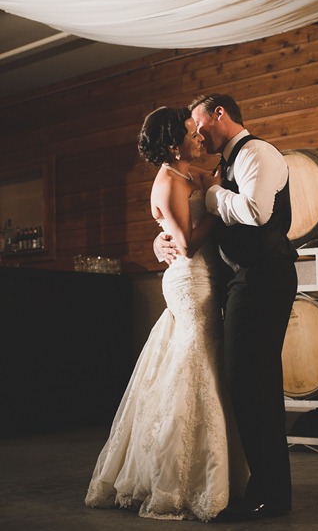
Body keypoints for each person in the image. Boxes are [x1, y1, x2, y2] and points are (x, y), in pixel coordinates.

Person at [85, 106, 248, 522]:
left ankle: (215, 469)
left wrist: (216, 193)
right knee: (194, 366)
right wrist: (212, 209)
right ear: (174, 144)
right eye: (193, 135)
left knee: (202, 364)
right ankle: (178, 477)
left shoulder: (189, 174)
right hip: (191, 281)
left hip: (207, 278)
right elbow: (188, 244)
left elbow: (215, 187)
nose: (200, 139)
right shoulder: (167, 182)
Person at [155, 93, 298, 520]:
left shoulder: (257, 153)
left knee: (249, 379)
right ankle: (269, 488)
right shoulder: (224, 165)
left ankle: (270, 493)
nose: (197, 133)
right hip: (241, 279)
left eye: (200, 124)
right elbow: (176, 207)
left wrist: (214, 193)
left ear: (220, 114)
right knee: (252, 381)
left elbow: (255, 212)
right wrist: (160, 238)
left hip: (263, 276)